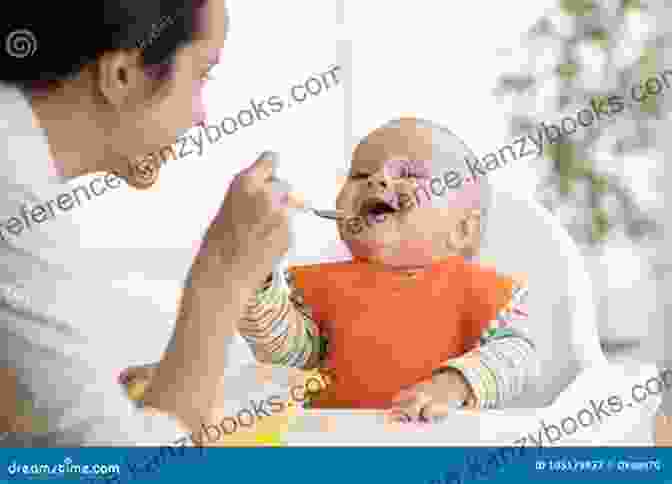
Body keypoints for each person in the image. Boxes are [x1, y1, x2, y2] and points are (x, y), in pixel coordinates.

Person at [0, 0, 295, 446]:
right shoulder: (12, 188)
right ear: (121, 76)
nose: (202, 117)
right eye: (201, 75)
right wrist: (223, 278)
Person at [122, 118, 539, 423]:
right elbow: (284, 349)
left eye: (408, 174)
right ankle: (175, 392)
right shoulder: (327, 290)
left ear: (462, 230)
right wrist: (255, 274)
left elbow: (518, 357)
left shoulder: (484, 295)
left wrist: (453, 386)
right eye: (361, 174)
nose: (377, 180)